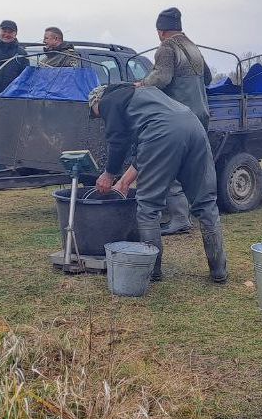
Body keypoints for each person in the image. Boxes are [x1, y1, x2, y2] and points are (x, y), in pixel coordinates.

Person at [89, 83, 227, 283]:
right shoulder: (143, 93)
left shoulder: (109, 101)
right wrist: (124, 182)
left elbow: (120, 141)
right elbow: (144, 149)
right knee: (205, 204)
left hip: (162, 133)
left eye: (96, 113)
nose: (100, 117)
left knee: (148, 208)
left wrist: (109, 174)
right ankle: (219, 271)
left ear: (97, 100)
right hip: (192, 126)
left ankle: (151, 272)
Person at [132, 7, 213, 235]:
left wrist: (142, 85)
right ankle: (200, 213)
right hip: (201, 115)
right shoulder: (192, 46)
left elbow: (162, 77)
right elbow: (206, 78)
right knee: (195, 168)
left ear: (160, 31)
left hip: (178, 117)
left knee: (169, 164)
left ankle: (179, 217)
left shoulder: (167, 47)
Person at [0, 20, 29, 95]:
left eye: (10, 32)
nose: (7, 34)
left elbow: (25, 79)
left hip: (11, 99)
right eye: (4, 31)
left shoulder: (22, 53)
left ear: (16, 34)